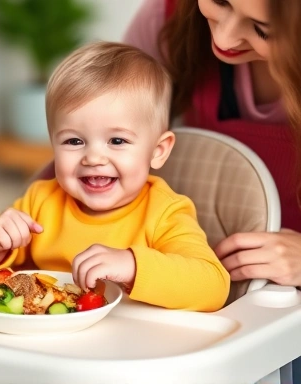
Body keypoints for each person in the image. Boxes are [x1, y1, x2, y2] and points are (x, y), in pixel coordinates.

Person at [0, 41, 230, 312]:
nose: (93, 158)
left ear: (158, 151)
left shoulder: (165, 213)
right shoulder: (41, 200)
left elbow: (213, 285)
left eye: (116, 140)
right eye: (74, 141)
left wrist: (133, 266)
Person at [123, 0, 301, 380]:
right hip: (189, 294)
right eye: (220, 1)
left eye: (263, 30)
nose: (222, 36)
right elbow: (97, 136)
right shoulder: (165, 19)